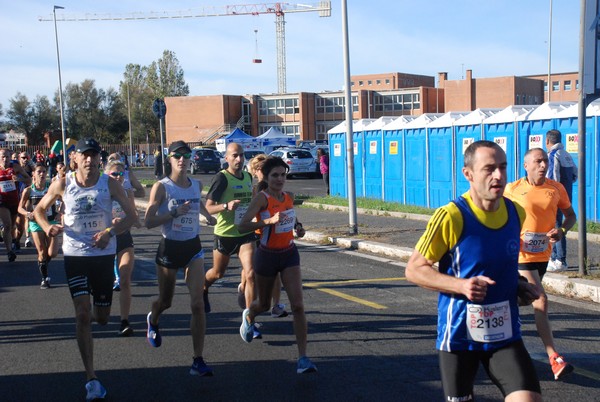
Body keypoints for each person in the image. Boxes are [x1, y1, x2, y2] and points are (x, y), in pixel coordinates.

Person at [405, 140, 542, 402]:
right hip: (459, 337)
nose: (499, 176)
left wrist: (518, 285)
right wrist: (462, 285)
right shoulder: (452, 215)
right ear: (468, 174)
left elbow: (499, 263)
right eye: (489, 169)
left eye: (503, 167)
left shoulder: (516, 213)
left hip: (504, 334)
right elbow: (414, 269)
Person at [34, 137, 137, 400]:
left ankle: (91, 321)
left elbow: (132, 216)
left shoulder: (109, 184)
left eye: (94, 155)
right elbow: (39, 210)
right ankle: (91, 378)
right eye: (84, 155)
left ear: (100, 159)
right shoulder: (63, 184)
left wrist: (110, 231)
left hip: (103, 256)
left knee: (101, 318)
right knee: (82, 314)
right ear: (75, 159)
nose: (90, 160)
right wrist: (48, 228)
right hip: (75, 256)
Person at [237, 156, 317, 374]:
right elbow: (243, 225)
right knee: (263, 305)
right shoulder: (261, 199)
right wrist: (267, 222)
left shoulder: (288, 197)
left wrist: (299, 228)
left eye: (283, 175)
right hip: (267, 256)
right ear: (266, 176)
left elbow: (292, 220)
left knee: (298, 306)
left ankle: (303, 358)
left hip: (289, 254)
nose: (280, 179)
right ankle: (249, 316)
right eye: (275, 175)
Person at [144, 140, 217, 377]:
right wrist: (173, 212)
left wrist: (209, 217)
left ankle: (198, 360)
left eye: (186, 156)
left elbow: (199, 206)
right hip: (169, 249)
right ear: (170, 159)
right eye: (177, 157)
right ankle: (153, 318)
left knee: (197, 304)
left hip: (193, 248)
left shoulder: (196, 184)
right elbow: (148, 222)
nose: (182, 161)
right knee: (166, 301)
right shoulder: (162, 187)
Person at [504, 147, 576, 381]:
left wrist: (562, 231)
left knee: (520, 299)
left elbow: (570, 215)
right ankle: (554, 357)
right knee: (540, 298)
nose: (543, 165)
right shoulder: (512, 189)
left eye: (545, 161)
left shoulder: (556, 188)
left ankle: (493, 317)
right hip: (520, 255)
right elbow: (498, 216)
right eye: (538, 161)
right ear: (526, 165)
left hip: (543, 256)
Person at [203, 143, 257, 330]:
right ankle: (203, 287)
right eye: (234, 155)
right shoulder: (222, 178)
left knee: (251, 273)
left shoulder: (249, 177)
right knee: (218, 273)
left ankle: (250, 320)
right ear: (226, 158)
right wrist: (226, 206)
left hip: (245, 232)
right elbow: (208, 207)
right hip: (225, 234)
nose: (239, 159)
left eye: (241, 155)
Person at [247, 154, 288, 318]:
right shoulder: (258, 189)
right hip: (257, 235)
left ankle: (276, 304)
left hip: (274, 234)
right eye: (258, 169)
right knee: (252, 275)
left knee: (276, 273)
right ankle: (250, 305)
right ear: (255, 171)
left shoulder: (276, 187)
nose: (261, 172)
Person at [105, 158, 140, 336]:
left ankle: (124, 321)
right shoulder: (101, 193)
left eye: (121, 174)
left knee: (125, 278)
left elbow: (132, 214)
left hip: (124, 238)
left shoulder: (127, 192)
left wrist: (136, 220)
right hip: (105, 240)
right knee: (102, 285)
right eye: (114, 174)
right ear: (107, 175)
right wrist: (110, 223)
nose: (118, 177)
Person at [18, 163, 60, 288]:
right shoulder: (28, 190)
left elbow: (63, 200)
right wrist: (27, 213)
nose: (42, 174)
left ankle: (42, 264)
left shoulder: (51, 188)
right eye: (39, 172)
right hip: (36, 223)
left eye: (44, 172)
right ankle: (45, 278)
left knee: (53, 253)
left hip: (50, 222)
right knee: (41, 250)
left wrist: (60, 212)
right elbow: (20, 208)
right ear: (34, 174)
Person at [545, 129, 578, 273]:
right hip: (566, 195)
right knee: (561, 225)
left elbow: (552, 178)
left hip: (555, 198)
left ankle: (558, 260)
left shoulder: (553, 155)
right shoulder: (566, 155)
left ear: (547, 141)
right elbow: (575, 174)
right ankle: (558, 259)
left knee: (555, 226)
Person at [1, 149, 31, 261]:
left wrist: (19, 179)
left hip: (15, 201)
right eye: (3, 157)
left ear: (10, 157)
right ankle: (9, 251)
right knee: (7, 225)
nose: (5, 159)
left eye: (7, 157)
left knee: (16, 226)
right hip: (2, 201)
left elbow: (29, 180)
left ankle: (16, 240)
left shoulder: (16, 167)